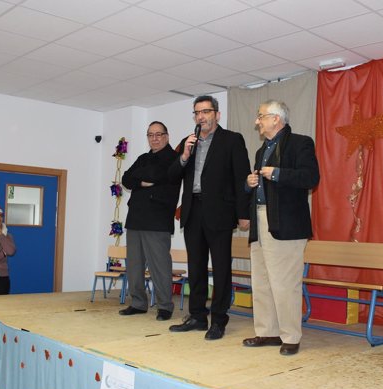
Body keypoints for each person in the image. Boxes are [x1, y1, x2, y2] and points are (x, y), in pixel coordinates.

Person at [168, 95, 251, 340]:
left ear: (217, 114)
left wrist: (243, 213)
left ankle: (219, 319)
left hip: (220, 211)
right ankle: (197, 316)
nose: (201, 116)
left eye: (205, 111)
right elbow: (173, 176)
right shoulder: (188, 142)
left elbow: (241, 178)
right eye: (197, 112)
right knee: (196, 267)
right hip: (193, 211)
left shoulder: (232, 140)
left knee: (222, 268)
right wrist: (184, 155)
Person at [242, 100, 320, 356]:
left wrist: (276, 174)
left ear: (276, 119)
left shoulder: (301, 143)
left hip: (286, 224)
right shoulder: (261, 150)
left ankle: (290, 336)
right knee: (262, 281)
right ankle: (267, 332)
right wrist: (250, 182)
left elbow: (310, 178)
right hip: (260, 220)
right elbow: (258, 188)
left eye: (261, 116)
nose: (257, 121)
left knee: (285, 284)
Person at [119, 121, 181, 321]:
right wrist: (141, 181)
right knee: (134, 267)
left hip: (157, 220)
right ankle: (138, 303)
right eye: (150, 135)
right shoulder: (143, 158)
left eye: (158, 134)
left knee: (159, 266)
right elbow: (127, 179)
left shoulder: (174, 158)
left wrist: (140, 179)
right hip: (136, 218)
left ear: (166, 136)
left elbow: (156, 174)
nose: (154, 138)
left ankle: (165, 306)